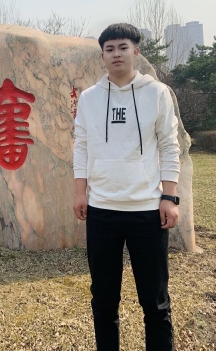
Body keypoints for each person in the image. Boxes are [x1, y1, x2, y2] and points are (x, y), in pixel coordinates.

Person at [73, 23, 180, 351]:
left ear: (136, 51)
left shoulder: (157, 93)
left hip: (147, 211)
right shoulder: (89, 98)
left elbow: (169, 145)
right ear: (102, 55)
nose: (116, 54)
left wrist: (169, 196)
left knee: (155, 302)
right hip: (102, 211)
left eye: (123, 47)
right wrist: (80, 192)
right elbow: (81, 146)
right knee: (104, 300)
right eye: (109, 49)